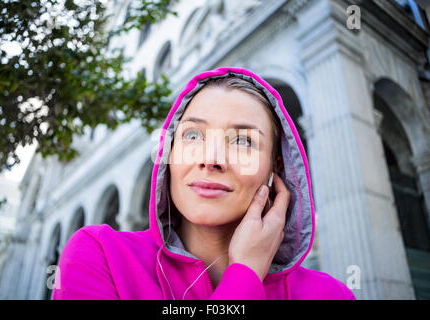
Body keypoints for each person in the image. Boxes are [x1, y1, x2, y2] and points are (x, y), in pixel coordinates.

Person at [51, 67, 356, 300]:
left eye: (242, 141)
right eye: (193, 136)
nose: (211, 159)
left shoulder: (329, 294)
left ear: (276, 169)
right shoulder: (101, 255)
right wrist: (245, 275)